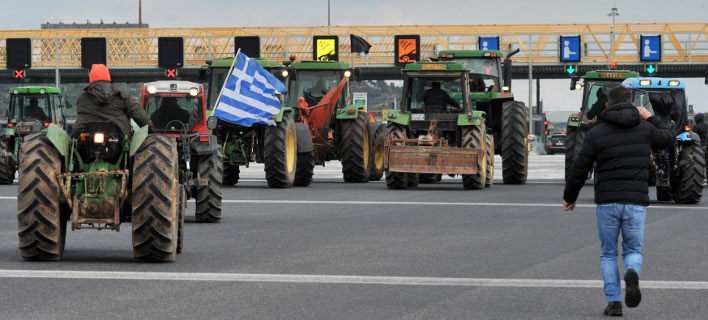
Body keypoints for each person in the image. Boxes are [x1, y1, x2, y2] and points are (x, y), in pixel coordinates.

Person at [563, 87, 674, 316]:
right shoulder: (645, 129)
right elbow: (668, 139)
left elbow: (580, 168)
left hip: (608, 202)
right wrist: (651, 117)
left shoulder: (596, 133)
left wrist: (569, 197)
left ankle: (614, 302)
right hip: (635, 202)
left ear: (606, 106)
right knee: (633, 249)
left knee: (608, 253)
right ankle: (632, 270)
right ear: (633, 105)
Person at [72, 64, 152, 138]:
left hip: (84, 139)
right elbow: (139, 115)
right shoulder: (123, 96)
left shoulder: (82, 98)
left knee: (72, 144)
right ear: (108, 77)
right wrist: (151, 130)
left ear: (91, 77)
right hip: (120, 137)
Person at [693, 113, 708, 182]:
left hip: (699, 146)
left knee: (699, 163)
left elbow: (694, 137)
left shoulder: (696, 127)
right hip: (706, 145)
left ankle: (700, 177)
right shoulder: (707, 125)